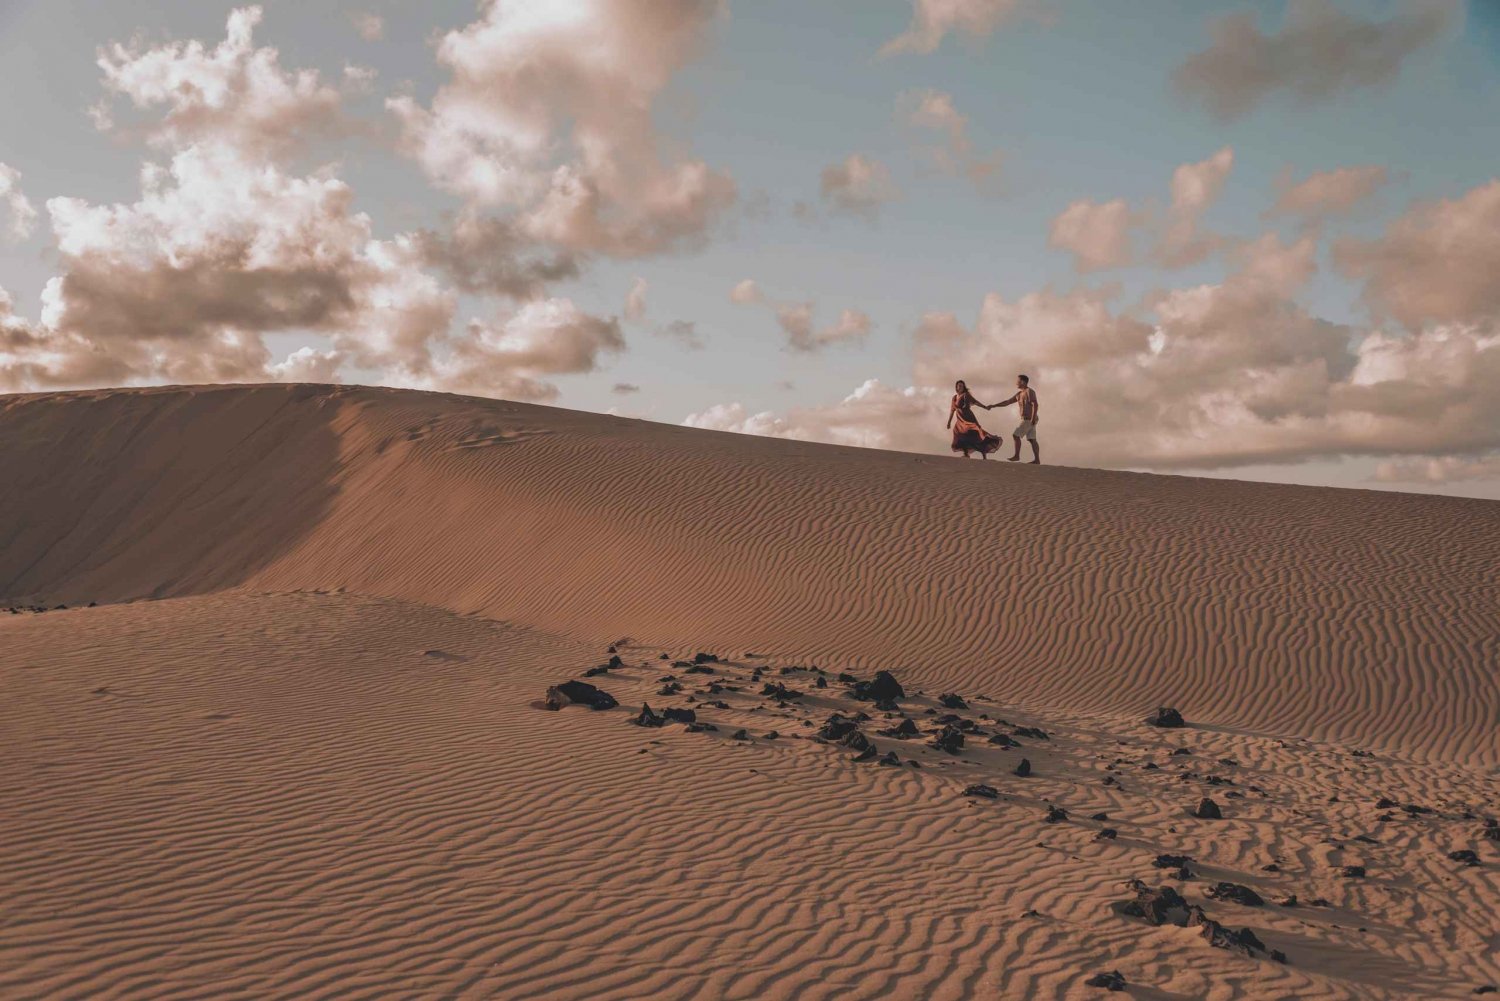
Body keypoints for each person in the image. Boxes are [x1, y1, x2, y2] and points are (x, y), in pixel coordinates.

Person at [990, 374, 1040, 464]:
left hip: (1029, 419)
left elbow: (1035, 404)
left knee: (1016, 435)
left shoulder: (1029, 391)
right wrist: (993, 406)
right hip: (1028, 419)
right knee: (1032, 439)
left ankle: (1017, 456)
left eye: (1018, 381)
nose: (1016, 383)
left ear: (1023, 382)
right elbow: (1007, 402)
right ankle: (1037, 460)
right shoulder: (1019, 394)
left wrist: (1032, 418)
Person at [946, 380, 1002, 458]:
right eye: (959, 385)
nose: (960, 387)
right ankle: (966, 454)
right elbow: (952, 410)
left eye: (962, 386)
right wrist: (949, 422)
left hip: (968, 418)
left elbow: (975, 402)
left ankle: (984, 451)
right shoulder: (954, 398)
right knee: (959, 434)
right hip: (960, 420)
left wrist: (985, 407)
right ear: (956, 387)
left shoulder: (966, 395)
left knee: (976, 434)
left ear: (964, 387)